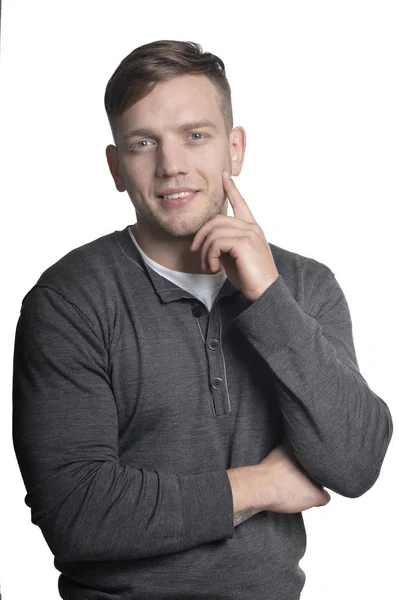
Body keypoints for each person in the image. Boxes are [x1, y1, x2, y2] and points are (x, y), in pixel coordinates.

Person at [12, 40, 393, 600]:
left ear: (234, 150)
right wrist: (260, 486)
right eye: (144, 143)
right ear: (117, 167)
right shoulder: (69, 301)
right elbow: (76, 513)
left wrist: (268, 298)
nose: (172, 166)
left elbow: (356, 464)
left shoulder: (307, 286)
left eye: (196, 135)